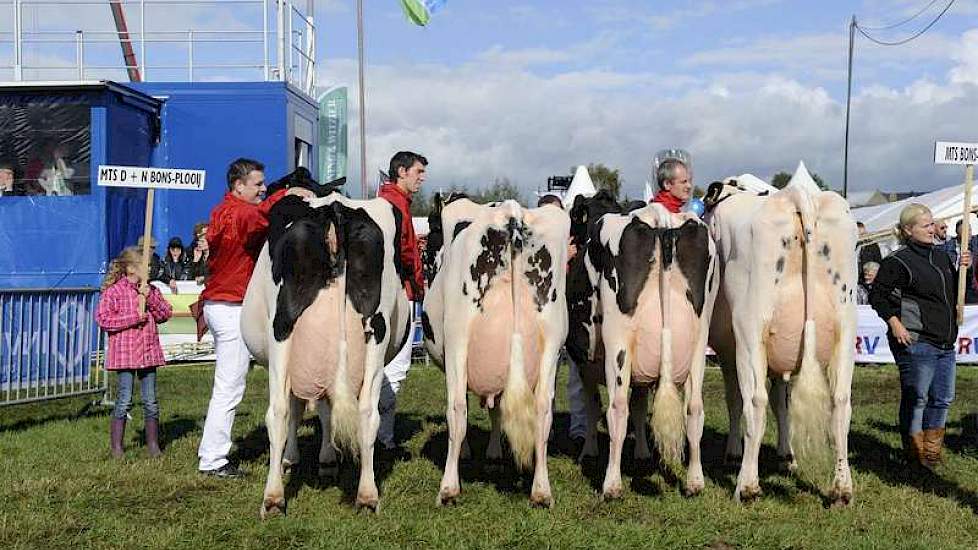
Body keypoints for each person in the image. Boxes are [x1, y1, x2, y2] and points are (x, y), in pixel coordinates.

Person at [196, 158, 313, 478]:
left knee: (229, 384)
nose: (263, 189)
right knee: (229, 386)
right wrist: (289, 194)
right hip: (232, 305)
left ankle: (213, 453)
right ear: (238, 186)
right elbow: (264, 216)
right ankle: (212, 459)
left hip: (221, 303)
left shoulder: (224, 209)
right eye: (258, 184)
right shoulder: (242, 214)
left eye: (264, 184)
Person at [869, 203, 970, 469]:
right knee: (917, 398)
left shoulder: (942, 256)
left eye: (931, 223)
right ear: (908, 230)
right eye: (925, 225)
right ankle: (915, 453)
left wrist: (963, 271)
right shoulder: (897, 261)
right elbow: (877, 295)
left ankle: (932, 452)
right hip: (916, 340)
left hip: (945, 341)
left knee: (942, 398)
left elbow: (948, 291)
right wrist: (895, 322)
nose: (931, 228)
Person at [95, 246, 173, 458]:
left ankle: (153, 445)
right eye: (144, 265)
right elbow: (103, 319)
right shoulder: (115, 292)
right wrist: (131, 319)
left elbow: (165, 314)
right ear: (130, 268)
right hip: (126, 354)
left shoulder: (150, 290)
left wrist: (151, 299)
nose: (149, 268)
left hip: (147, 353)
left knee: (151, 401)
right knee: (124, 400)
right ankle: (117, 448)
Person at [376, 151, 427, 451]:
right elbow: (407, 252)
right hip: (400, 292)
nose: (421, 178)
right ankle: (383, 437)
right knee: (395, 366)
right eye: (418, 172)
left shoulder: (386, 202)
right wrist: (418, 286)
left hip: (378, 293)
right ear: (401, 172)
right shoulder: (397, 207)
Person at [537, 193, 587, 443]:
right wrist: (561, 257)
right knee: (546, 373)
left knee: (578, 373)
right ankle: (546, 425)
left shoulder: (574, 240)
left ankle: (578, 429)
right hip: (547, 315)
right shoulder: (534, 240)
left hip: (574, 311)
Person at [938, 219, 978, 304]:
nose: (968, 233)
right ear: (957, 232)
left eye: (969, 230)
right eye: (964, 231)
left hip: (972, 287)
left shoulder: (975, 242)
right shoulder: (948, 246)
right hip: (956, 286)